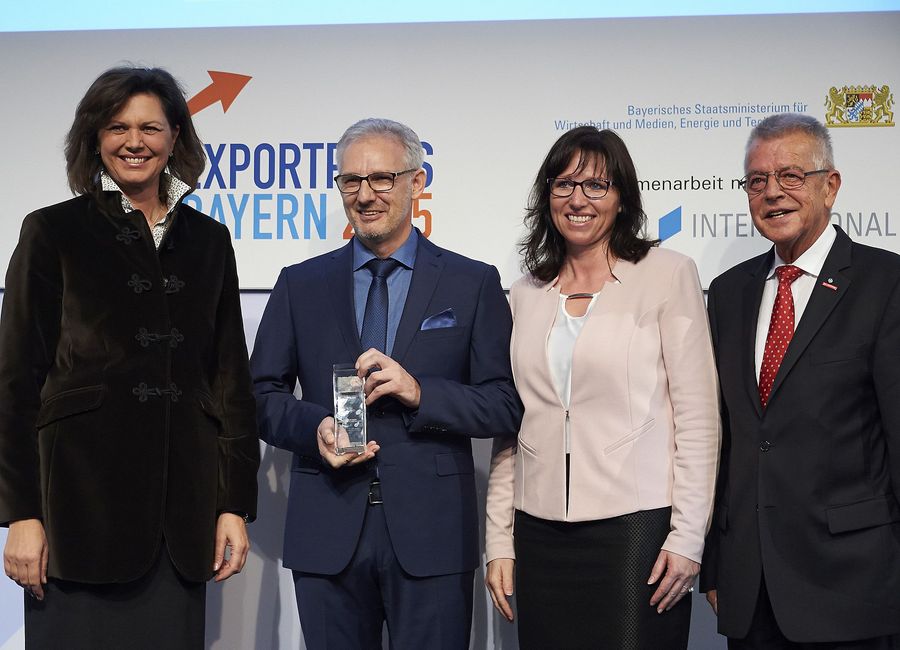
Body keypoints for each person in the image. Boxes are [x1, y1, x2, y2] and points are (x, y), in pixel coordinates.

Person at [0, 66, 260, 649]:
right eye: (117, 127)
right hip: (76, 518)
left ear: (175, 138)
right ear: (95, 137)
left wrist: (234, 506)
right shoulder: (51, 232)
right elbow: (16, 381)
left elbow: (229, 383)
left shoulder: (209, 240)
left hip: (180, 521)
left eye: (150, 127)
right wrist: (21, 515)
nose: (134, 142)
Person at [251, 117, 523, 649]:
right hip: (327, 529)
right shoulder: (300, 284)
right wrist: (318, 429)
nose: (365, 195)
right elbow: (260, 398)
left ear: (416, 182)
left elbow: (503, 404)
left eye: (381, 179)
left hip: (432, 536)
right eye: (350, 181)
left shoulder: (472, 282)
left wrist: (422, 393)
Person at [484, 126, 720, 649]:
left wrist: (687, 536)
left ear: (621, 197)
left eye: (596, 185)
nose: (578, 200)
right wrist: (500, 539)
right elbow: (511, 424)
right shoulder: (525, 293)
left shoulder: (667, 274)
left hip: (636, 532)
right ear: (547, 198)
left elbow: (699, 418)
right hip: (540, 532)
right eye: (564, 185)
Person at [700, 113, 900, 649]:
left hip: (854, 584)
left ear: (829, 186)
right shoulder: (727, 292)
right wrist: (716, 563)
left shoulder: (887, 283)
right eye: (757, 180)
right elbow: (726, 436)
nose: (772, 193)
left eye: (791, 176)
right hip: (751, 588)